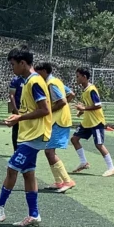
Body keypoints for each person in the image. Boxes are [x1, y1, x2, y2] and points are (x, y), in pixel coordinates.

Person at [0, 47, 52, 227]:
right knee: (28, 174)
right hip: (29, 134)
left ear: (23, 63)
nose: (12, 68)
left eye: (13, 65)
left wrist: (20, 117)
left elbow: (44, 110)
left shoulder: (34, 82)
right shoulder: (28, 81)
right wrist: (17, 118)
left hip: (35, 136)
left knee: (12, 169)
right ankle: (34, 214)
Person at [34, 61, 75, 193]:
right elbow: (71, 94)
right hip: (60, 120)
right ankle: (59, 181)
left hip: (59, 122)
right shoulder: (56, 81)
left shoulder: (51, 84)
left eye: (38, 73)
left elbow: (62, 101)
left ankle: (67, 181)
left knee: (49, 151)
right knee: (48, 151)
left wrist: (49, 110)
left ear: (45, 71)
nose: (37, 75)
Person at [70, 67, 114, 177]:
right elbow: (88, 105)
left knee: (99, 145)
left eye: (78, 76)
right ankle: (83, 162)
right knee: (74, 139)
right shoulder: (85, 90)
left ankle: (112, 168)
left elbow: (98, 105)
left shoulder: (91, 89)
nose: (76, 79)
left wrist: (84, 109)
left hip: (96, 122)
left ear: (84, 77)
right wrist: (81, 111)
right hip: (87, 122)